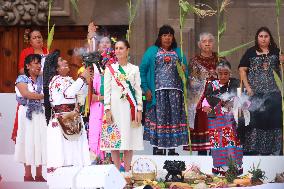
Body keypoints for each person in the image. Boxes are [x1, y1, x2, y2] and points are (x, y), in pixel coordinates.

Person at [140, 25, 188, 155]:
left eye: (170, 35)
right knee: (159, 119)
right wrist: (146, 88)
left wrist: (184, 70)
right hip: (158, 93)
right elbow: (142, 70)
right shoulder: (152, 51)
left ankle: (172, 149)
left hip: (175, 93)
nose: (167, 38)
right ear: (160, 37)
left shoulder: (178, 52)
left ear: (173, 37)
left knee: (173, 119)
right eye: (164, 35)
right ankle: (158, 148)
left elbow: (186, 74)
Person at [43, 50, 91, 174]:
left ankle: (75, 179)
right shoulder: (57, 80)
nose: (65, 61)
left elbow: (81, 94)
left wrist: (85, 81)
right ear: (56, 68)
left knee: (73, 152)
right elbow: (69, 93)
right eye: (60, 60)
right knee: (64, 153)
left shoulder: (68, 79)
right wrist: (82, 78)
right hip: (61, 122)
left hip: (71, 119)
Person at [239, 26, 284, 155]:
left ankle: (271, 151)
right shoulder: (250, 52)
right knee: (255, 121)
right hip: (255, 94)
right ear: (257, 38)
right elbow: (242, 70)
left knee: (272, 121)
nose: (263, 39)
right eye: (261, 36)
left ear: (270, 38)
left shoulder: (277, 52)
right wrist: (248, 88)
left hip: (273, 94)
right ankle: (253, 151)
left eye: (266, 36)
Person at [101, 39, 143, 172]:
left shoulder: (134, 69)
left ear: (127, 50)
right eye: (116, 48)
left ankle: (127, 172)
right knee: (115, 142)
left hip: (130, 109)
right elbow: (106, 91)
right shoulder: (110, 69)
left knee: (128, 140)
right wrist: (107, 109)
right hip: (114, 109)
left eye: (121, 48)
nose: (118, 51)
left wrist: (139, 109)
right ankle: (116, 171)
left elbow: (138, 90)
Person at [203, 61, 243, 175]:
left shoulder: (236, 83)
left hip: (231, 121)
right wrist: (206, 106)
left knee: (231, 143)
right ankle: (221, 169)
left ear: (230, 73)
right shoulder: (212, 85)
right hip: (216, 121)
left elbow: (242, 98)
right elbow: (206, 100)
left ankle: (233, 168)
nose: (223, 76)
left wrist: (233, 103)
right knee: (218, 142)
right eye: (220, 73)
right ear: (216, 73)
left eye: (226, 73)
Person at [183, 32, 218, 155]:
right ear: (199, 44)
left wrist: (216, 75)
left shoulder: (219, 59)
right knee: (203, 135)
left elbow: (226, 77)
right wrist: (206, 77)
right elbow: (191, 82)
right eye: (204, 41)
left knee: (215, 133)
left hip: (216, 100)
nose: (207, 43)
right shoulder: (194, 61)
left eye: (210, 41)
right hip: (200, 100)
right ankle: (202, 162)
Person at [14, 54, 47, 182]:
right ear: (27, 66)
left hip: (40, 113)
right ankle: (27, 175)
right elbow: (26, 94)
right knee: (27, 140)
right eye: (35, 63)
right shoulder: (21, 78)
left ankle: (39, 174)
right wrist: (44, 96)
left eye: (39, 63)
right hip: (26, 114)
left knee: (39, 140)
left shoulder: (43, 79)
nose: (38, 65)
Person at [12, 29, 48, 142]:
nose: (38, 39)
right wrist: (38, 71)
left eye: (40, 37)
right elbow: (21, 70)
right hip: (31, 84)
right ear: (30, 41)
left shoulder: (47, 51)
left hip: (44, 84)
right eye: (34, 37)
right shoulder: (26, 52)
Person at [87, 22, 116, 161]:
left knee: (111, 135)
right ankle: (96, 161)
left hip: (112, 107)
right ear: (97, 46)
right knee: (96, 133)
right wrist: (101, 98)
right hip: (97, 107)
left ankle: (112, 163)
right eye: (102, 43)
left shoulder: (116, 66)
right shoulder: (92, 66)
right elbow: (87, 95)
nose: (105, 45)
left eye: (108, 43)